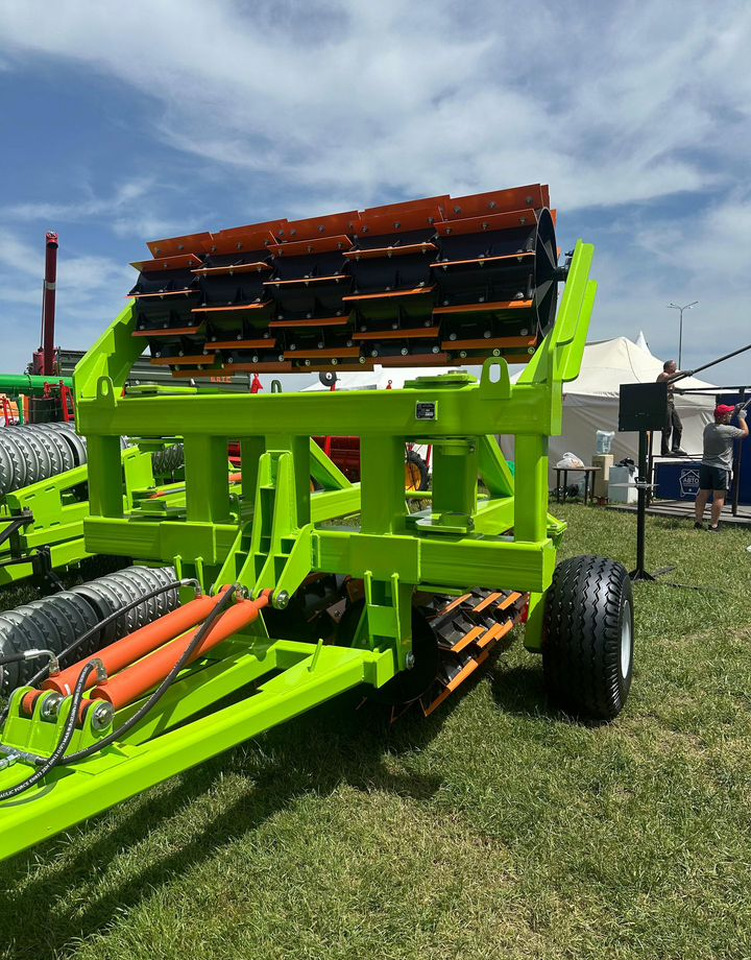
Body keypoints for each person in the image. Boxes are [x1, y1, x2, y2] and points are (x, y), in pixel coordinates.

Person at [694, 403, 748, 531]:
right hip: (721, 468)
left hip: (706, 466)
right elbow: (745, 433)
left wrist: (735, 409)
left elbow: (724, 420)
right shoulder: (728, 430)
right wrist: (741, 418)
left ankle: (698, 522)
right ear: (724, 417)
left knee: (703, 494)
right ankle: (714, 525)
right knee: (719, 497)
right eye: (728, 414)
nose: (731, 415)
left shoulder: (708, 428)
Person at [657, 359, 688, 456]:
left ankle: (675, 447)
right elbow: (668, 378)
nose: (675, 369)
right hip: (664, 403)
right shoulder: (663, 375)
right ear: (668, 368)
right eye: (673, 367)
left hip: (671, 403)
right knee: (667, 427)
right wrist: (682, 373)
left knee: (678, 426)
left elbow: (671, 388)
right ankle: (665, 450)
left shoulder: (670, 379)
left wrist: (679, 390)